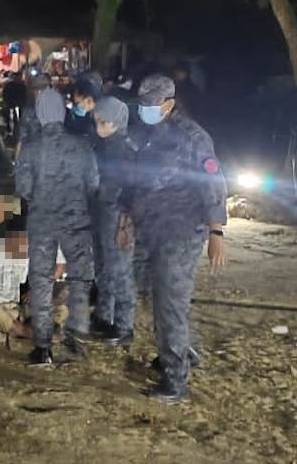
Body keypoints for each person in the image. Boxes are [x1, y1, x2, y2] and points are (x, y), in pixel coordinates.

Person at [124, 74, 226, 404]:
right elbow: (134, 178)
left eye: (151, 105)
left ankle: (175, 380)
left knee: (170, 302)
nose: (146, 110)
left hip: (180, 232)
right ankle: (181, 350)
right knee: (150, 294)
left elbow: (212, 183)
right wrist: (126, 216)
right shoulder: (145, 133)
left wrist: (216, 232)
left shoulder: (193, 137)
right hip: (148, 228)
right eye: (143, 105)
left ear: (169, 104)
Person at [15, 88, 99, 366]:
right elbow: (93, 185)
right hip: (76, 221)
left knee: (40, 281)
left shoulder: (30, 147)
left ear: (39, 114)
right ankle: (76, 338)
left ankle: (42, 348)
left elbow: (23, 188)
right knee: (79, 280)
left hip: (42, 222)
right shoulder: (83, 145)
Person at [89, 97, 137, 346]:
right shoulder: (103, 144)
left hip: (118, 215)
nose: (99, 125)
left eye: (104, 120)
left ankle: (124, 325)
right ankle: (103, 316)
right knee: (103, 266)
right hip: (100, 211)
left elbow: (133, 190)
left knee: (119, 269)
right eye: (97, 120)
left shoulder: (127, 150)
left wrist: (125, 223)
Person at [15, 71, 51, 158]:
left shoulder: (28, 112)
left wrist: (17, 163)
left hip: (34, 156)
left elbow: (21, 140)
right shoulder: (59, 109)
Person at [65, 71, 103, 138]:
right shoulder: (73, 116)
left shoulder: (99, 121)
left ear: (88, 100)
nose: (77, 106)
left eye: (78, 103)